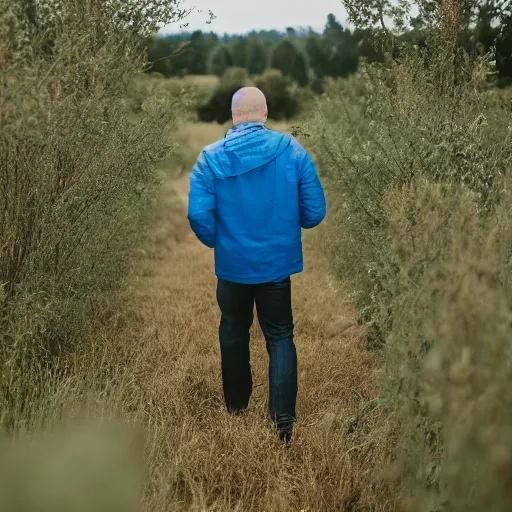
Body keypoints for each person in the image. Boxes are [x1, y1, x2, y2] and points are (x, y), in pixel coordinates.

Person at [187, 87, 326, 442]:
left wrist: (224, 243)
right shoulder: (293, 151)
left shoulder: (209, 157)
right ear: (265, 114)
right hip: (276, 268)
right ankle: (282, 426)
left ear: (234, 117)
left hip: (232, 269)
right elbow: (314, 213)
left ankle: (236, 406)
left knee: (232, 331)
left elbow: (198, 215)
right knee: (280, 336)